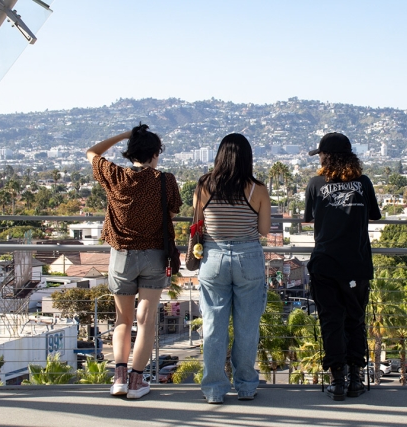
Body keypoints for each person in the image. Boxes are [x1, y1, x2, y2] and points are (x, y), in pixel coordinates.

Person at [86, 123, 182, 399]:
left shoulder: (115, 175)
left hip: (121, 257)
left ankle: (119, 379)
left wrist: (125, 135)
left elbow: (91, 152)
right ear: (155, 153)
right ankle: (138, 382)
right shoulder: (165, 180)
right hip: (154, 255)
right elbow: (172, 213)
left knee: (122, 320)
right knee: (147, 320)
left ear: (131, 153)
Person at [194, 133, 271, 404]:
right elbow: (263, 230)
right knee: (247, 326)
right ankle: (246, 386)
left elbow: (198, 222)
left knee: (214, 325)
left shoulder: (204, 185)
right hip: (247, 256)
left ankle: (214, 389)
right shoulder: (257, 189)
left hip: (213, 257)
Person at [304, 132, 382, 401]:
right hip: (357, 264)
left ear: (326, 157)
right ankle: (356, 379)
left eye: (321, 154)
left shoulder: (315, 184)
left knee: (331, 321)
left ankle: (337, 379)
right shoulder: (364, 182)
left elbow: (308, 219)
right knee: (355, 320)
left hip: (325, 262)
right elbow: (373, 214)